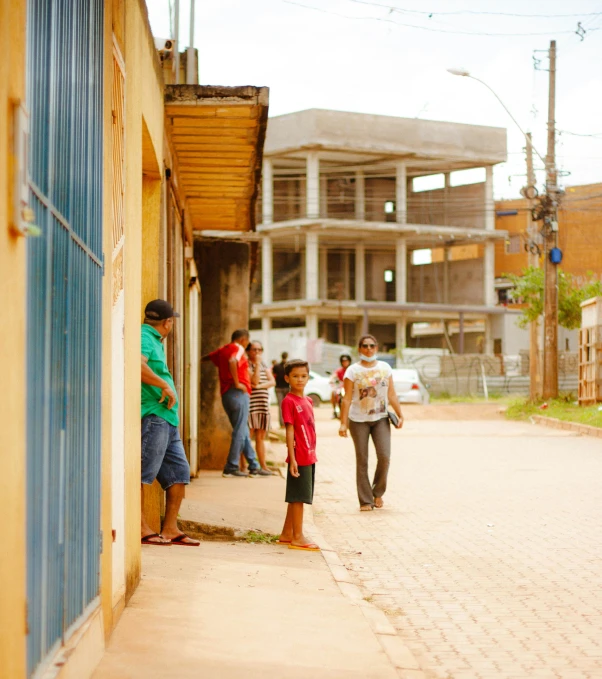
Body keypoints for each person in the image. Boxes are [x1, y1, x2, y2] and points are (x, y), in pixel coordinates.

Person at [140, 299, 200, 546]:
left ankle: (171, 528)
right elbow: (136, 365)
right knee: (142, 474)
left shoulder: (154, 339)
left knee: (179, 474)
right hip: (154, 415)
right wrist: (164, 384)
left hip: (166, 417)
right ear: (167, 323)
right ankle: (140, 527)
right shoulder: (144, 337)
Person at [339, 334, 404, 512]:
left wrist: (400, 414)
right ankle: (365, 500)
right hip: (358, 420)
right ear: (359, 349)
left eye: (372, 346)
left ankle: (378, 492)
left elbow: (391, 394)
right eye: (365, 346)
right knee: (362, 460)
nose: (369, 349)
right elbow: (346, 399)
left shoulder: (385, 368)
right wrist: (343, 423)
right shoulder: (352, 371)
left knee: (384, 457)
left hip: (381, 418)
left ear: (376, 348)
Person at [202, 329, 270, 477]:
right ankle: (231, 467)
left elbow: (207, 357)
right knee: (240, 430)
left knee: (243, 430)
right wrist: (237, 382)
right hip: (238, 393)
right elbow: (233, 360)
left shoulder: (222, 350)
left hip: (226, 395)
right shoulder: (238, 348)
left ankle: (253, 465)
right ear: (243, 340)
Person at [278, 359, 320, 551]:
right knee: (299, 498)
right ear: (287, 378)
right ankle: (298, 536)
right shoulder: (289, 401)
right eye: (295, 376)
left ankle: (287, 534)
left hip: (309, 455)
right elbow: (289, 430)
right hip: (299, 456)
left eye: (303, 376)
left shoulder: (308, 400)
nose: (300, 380)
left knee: (297, 495)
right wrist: (292, 457)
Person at [247, 340, 276, 474]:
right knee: (247, 436)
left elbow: (272, 382)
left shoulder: (265, 365)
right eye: (254, 349)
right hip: (251, 405)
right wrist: (257, 365)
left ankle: (263, 466)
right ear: (249, 351)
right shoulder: (247, 364)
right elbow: (254, 380)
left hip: (263, 405)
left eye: (259, 350)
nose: (257, 352)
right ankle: (243, 466)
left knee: (261, 437)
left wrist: (259, 387)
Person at [329, 353, 352, 419]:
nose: (345, 363)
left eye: (346, 361)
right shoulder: (339, 370)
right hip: (341, 387)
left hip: (350, 387)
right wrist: (331, 379)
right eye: (343, 361)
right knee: (333, 393)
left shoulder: (351, 369)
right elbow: (334, 375)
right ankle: (334, 411)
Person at [272, 352, 289, 428]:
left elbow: (273, 376)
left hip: (278, 387)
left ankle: (282, 424)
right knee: (287, 406)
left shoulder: (276, 366)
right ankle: (287, 422)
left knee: (281, 406)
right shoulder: (288, 366)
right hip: (287, 387)